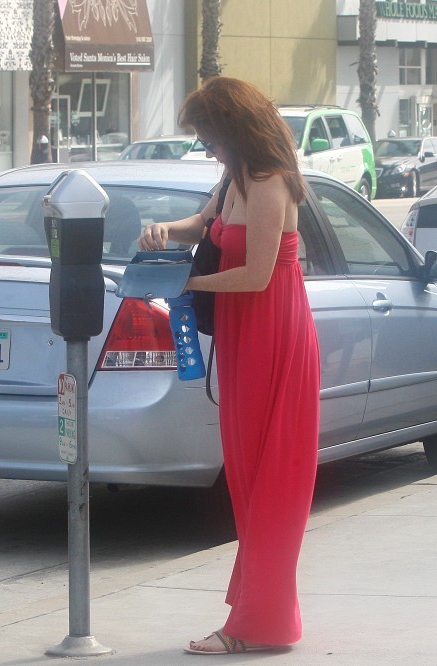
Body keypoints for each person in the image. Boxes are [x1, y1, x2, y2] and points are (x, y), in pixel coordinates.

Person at [138, 76, 321, 655]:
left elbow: (257, 275)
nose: (208, 148)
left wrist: (185, 281)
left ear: (234, 129)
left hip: (274, 332)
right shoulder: (234, 178)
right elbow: (205, 226)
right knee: (247, 475)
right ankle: (262, 614)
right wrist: (167, 230)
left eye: (210, 137)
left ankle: (257, 625)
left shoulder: (271, 183)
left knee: (273, 480)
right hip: (245, 336)